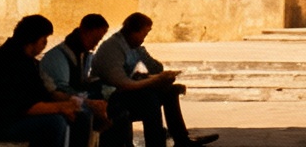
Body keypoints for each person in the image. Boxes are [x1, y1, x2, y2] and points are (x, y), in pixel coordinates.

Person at [92, 12, 217, 147]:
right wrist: (154, 81)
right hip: (110, 97)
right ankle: (156, 143)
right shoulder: (113, 47)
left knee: (171, 91)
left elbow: (156, 68)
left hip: (123, 92)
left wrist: (158, 73)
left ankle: (181, 139)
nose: (144, 39)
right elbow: (123, 84)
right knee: (150, 99)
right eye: (143, 35)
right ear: (134, 32)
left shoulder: (134, 47)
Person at [0, 13, 79, 147]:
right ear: (33, 39)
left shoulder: (27, 61)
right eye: (43, 39)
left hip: (9, 120)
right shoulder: (6, 60)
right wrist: (60, 107)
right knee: (54, 124)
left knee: (78, 116)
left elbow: (41, 95)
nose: (45, 44)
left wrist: (71, 103)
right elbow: (25, 106)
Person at [41, 14, 112, 144]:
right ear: (85, 32)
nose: (96, 44)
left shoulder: (83, 55)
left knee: (114, 106)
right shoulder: (58, 57)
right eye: (95, 39)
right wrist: (88, 102)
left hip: (73, 97)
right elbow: (59, 91)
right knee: (84, 115)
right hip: (56, 99)